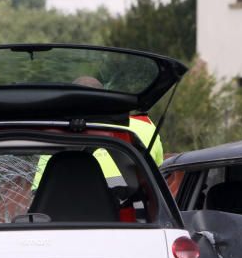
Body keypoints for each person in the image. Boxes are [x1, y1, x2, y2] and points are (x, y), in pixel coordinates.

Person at [33, 75, 164, 189]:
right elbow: (159, 179)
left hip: (75, 211)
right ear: (104, 100)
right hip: (138, 212)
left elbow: (41, 192)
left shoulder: (58, 135)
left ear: (71, 104)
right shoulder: (145, 126)